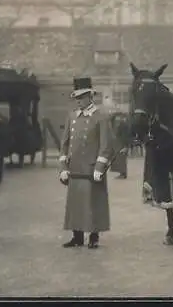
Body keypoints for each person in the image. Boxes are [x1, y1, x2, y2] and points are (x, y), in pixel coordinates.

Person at [58, 77, 115, 249]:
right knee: (76, 204)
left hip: (92, 169)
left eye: (82, 97)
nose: (79, 101)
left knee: (93, 204)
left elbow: (106, 146)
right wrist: (63, 167)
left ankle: (94, 236)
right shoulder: (72, 117)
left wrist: (99, 167)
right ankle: (77, 236)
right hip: (75, 169)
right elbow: (64, 144)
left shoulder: (100, 117)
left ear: (90, 96)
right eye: (77, 97)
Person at [110, 113, 130, 179]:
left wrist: (126, 145)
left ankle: (123, 174)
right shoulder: (122, 123)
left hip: (122, 143)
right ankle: (122, 173)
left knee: (121, 159)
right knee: (120, 159)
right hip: (120, 143)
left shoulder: (123, 124)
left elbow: (125, 135)